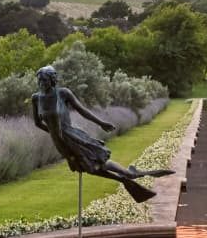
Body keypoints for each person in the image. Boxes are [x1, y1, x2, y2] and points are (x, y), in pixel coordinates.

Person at [30, 65, 171, 203]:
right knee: (90, 168)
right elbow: (37, 123)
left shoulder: (63, 93)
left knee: (95, 163)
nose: (42, 84)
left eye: (45, 80)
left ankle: (128, 175)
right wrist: (55, 133)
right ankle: (126, 177)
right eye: (40, 81)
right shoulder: (36, 98)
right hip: (60, 142)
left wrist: (101, 123)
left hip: (73, 137)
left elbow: (83, 110)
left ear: (53, 80)